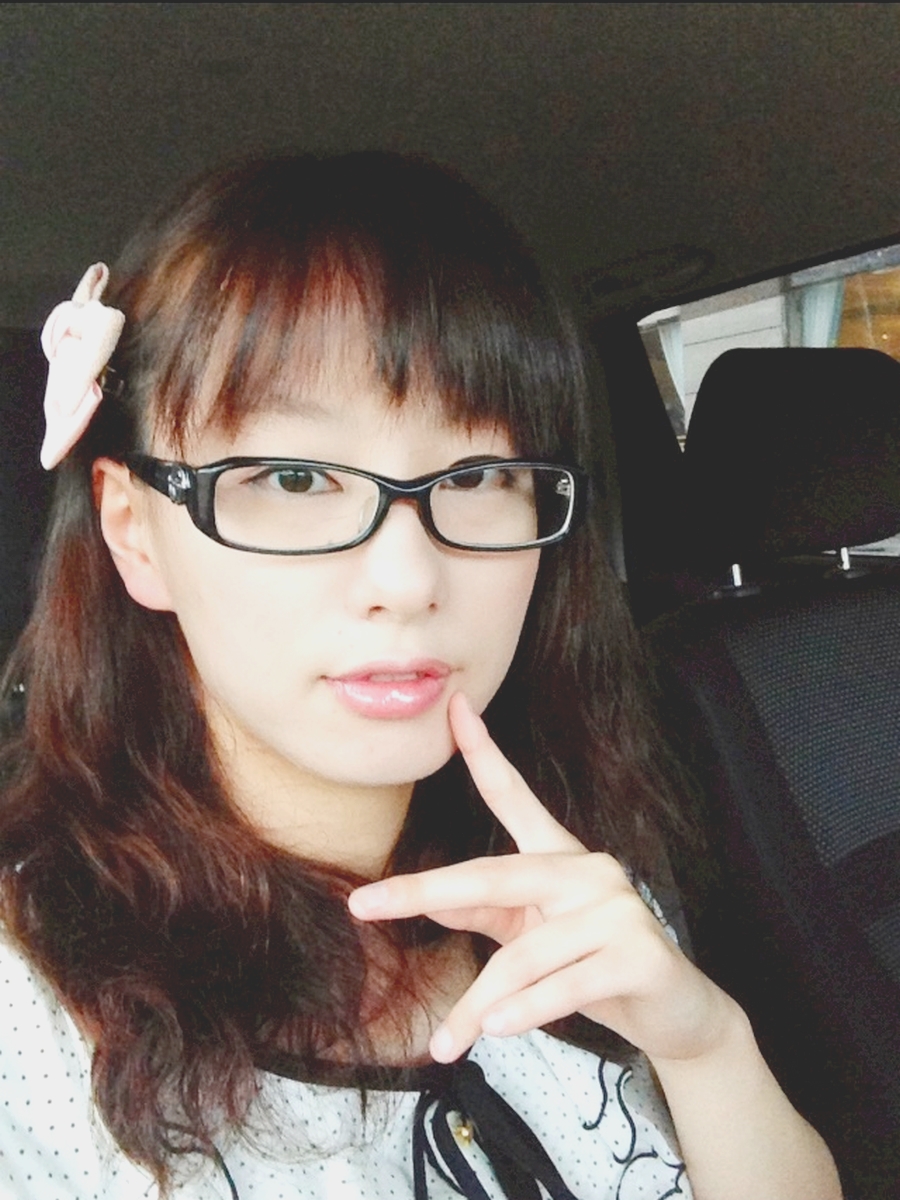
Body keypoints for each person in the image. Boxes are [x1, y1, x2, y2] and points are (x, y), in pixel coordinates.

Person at [0, 153, 841, 1200]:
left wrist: (706, 1045)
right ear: (135, 534)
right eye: (294, 478)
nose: (407, 579)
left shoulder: (570, 883)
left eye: (480, 476)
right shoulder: (27, 1015)